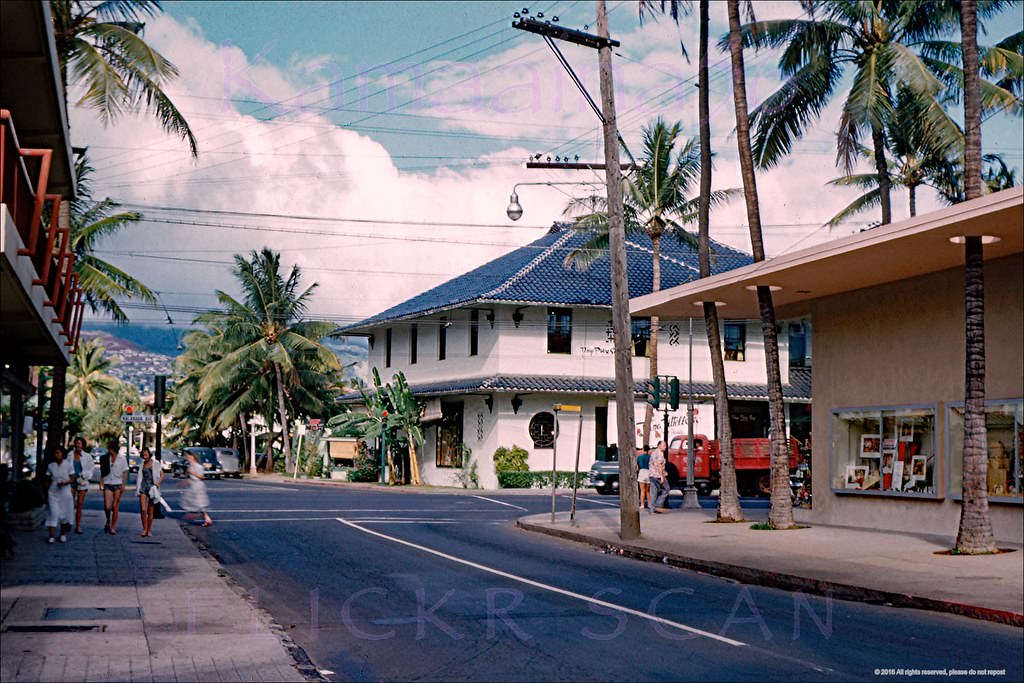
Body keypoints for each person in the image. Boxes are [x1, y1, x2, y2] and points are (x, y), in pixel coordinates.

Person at [46, 445, 74, 544]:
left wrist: (65, 482)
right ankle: (51, 536)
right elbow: (47, 479)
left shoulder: (68, 465)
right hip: (53, 492)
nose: (56, 455)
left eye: (58, 453)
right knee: (53, 513)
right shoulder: (51, 465)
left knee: (64, 514)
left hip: (65, 492)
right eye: (55, 453)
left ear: (63, 454)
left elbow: (72, 478)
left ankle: (62, 534)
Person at [102, 439, 129, 534]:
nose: (110, 451)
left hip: (117, 483)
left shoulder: (122, 458)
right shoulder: (106, 458)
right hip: (108, 482)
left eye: (111, 449)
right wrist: (101, 482)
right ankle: (108, 520)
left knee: (115, 506)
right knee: (107, 506)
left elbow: (125, 472)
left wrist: (123, 485)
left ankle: (113, 527)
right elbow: (103, 470)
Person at [136, 447, 163, 537]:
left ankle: (148, 530)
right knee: (143, 509)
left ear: (149, 454)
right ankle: (144, 529)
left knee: (150, 511)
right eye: (143, 455)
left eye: (146, 454)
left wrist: (158, 484)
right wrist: (138, 488)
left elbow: (162, 475)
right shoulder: (142, 464)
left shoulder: (155, 463)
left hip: (152, 487)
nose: (145, 456)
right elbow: (140, 477)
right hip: (143, 486)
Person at [180, 451, 213, 527]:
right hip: (193, 485)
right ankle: (205, 518)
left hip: (198, 485)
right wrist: (185, 482)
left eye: (189, 457)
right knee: (190, 500)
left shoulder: (198, 466)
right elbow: (189, 477)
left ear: (194, 458)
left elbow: (202, 477)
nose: (188, 459)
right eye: (187, 457)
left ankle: (195, 515)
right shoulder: (190, 466)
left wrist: (192, 472)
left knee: (199, 503)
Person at [69, 436, 94, 534]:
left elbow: (91, 469)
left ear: (83, 445)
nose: (78, 445)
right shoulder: (70, 455)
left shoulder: (87, 456)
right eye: (77, 443)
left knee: (79, 505)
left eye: (80, 443)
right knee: (70, 504)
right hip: (71, 482)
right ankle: (68, 523)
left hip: (82, 482)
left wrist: (85, 476)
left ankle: (78, 526)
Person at [649, 440, 670, 514]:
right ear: (659, 446)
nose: (666, 447)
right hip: (658, 475)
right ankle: (658, 504)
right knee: (666, 489)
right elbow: (659, 465)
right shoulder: (660, 454)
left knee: (653, 492)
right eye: (664, 445)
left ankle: (652, 509)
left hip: (651, 475)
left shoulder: (654, 452)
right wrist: (662, 476)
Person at [636, 445, 651, 510]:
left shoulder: (639, 457)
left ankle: (642, 504)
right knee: (648, 491)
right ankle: (649, 504)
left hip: (642, 472)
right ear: (649, 450)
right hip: (648, 472)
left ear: (643, 449)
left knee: (642, 490)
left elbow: (637, 466)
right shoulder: (650, 457)